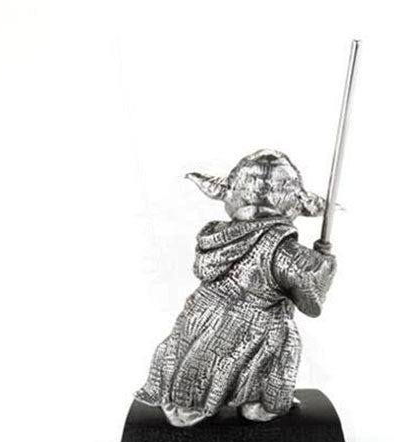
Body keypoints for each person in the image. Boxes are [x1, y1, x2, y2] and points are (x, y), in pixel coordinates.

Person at [135, 149, 337, 426]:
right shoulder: (283, 250)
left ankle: (189, 400)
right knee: (285, 335)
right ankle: (263, 404)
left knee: (193, 348)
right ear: (294, 203)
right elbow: (309, 298)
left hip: (199, 318)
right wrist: (322, 261)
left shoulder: (217, 237)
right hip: (251, 330)